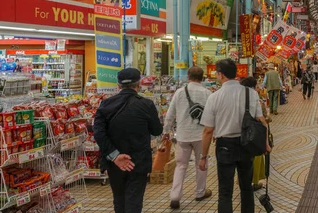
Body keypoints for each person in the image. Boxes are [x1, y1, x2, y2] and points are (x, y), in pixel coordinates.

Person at [200, 59, 271, 213]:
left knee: (225, 192)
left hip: (225, 146)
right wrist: (266, 144)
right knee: (246, 187)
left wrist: (203, 156)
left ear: (220, 75)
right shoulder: (250, 93)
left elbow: (208, 130)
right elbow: (262, 121)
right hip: (247, 144)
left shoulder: (214, 97)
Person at [93, 68, 163, 213]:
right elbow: (157, 130)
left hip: (115, 163)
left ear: (118, 86)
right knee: (134, 202)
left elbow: (99, 133)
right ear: (138, 85)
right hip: (138, 161)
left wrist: (115, 156)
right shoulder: (146, 105)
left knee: (119, 201)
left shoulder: (105, 105)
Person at [164, 67, 213, 209]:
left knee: (181, 166)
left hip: (183, 135)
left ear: (188, 77)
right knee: (202, 163)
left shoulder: (179, 93)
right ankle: (200, 192)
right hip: (201, 135)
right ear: (202, 77)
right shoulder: (207, 93)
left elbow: (170, 114)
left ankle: (175, 196)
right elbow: (213, 115)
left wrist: (166, 131)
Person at [239, 76, 271, 191]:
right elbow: (261, 118)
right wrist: (266, 141)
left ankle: (242, 181)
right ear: (253, 86)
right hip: (252, 134)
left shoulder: (235, 94)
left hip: (238, 134)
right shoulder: (253, 94)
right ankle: (254, 182)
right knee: (255, 159)